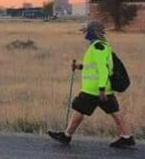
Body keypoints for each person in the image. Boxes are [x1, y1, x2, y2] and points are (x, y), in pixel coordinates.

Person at [48, 21, 136, 149]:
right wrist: (80, 67)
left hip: (94, 90)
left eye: (87, 31)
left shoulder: (98, 47)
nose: (85, 34)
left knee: (79, 109)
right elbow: (93, 67)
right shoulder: (99, 46)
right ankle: (126, 137)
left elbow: (103, 69)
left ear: (93, 32)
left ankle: (66, 136)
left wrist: (101, 89)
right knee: (114, 112)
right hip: (103, 88)